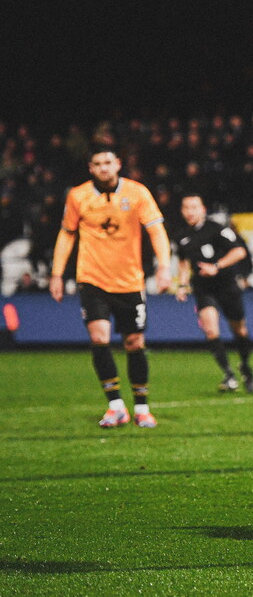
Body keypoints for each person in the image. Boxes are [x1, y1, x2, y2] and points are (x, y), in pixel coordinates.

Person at [49, 151, 171, 428]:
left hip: (129, 281)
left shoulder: (137, 193)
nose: (103, 168)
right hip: (92, 278)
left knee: (134, 343)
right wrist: (57, 274)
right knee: (99, 337)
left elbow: (156, 230)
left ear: (118, 165)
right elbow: (67, 234)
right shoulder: (78, 196)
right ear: (90, 168)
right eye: (98, 164)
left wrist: (164, 266)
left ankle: (142, 407)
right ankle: (116, 405)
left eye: (108, 163)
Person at [175, 194, 253, 394]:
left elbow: (239, 252)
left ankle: (245, 365)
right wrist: (182, 285)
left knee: (240, 330)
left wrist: (216, 266)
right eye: (186, 207)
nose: (190, 212)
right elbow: (184, 263)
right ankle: (229, 375)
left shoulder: (217, 228)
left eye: (194, 207)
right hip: (203, 287)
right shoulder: (182, 235)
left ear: (203, 209)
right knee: (210, 329)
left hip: (226, 284)